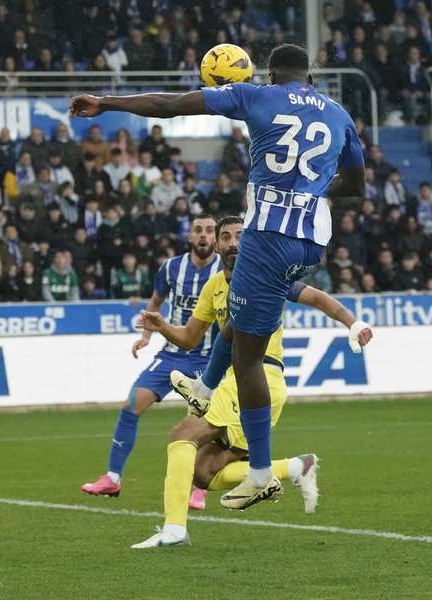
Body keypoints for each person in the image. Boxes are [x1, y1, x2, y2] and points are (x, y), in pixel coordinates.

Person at [71, 43, 366, 509]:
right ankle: (205, 387)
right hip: (313, 242)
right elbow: (356, 187)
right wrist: (312, 189)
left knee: (247, 360)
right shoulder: (339, 115)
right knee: (239, 314)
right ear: (308, 77)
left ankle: (262, 473)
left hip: (268, 236)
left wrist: (106, 104)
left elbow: (169, 106)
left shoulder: (256, 97)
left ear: (270, 75)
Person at [132, 216, 373, 548]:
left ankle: (174, 529)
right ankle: (293, 468)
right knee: (204, 472)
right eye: (226, 237)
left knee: (182, 435)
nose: (233, 243)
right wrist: (162, 327)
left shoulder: (267, 276)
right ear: (217, 246)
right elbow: (189, 337)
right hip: (237, 378)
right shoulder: (214, 285)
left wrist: (353, 323)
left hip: (259, 375)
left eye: (240, 237)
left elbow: (318, 298)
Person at [80, 215, 220, 497]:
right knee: (131, 405)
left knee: (207, 421)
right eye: (198, 230)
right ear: (190, 237)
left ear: (215, 238)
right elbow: (156, 302)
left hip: (209, 358)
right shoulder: (171, 268)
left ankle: (199, 487)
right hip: (172, 354)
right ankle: (112, 477)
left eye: (209, 231)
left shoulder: (226, 270)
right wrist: (146, 335)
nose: (203, 235)